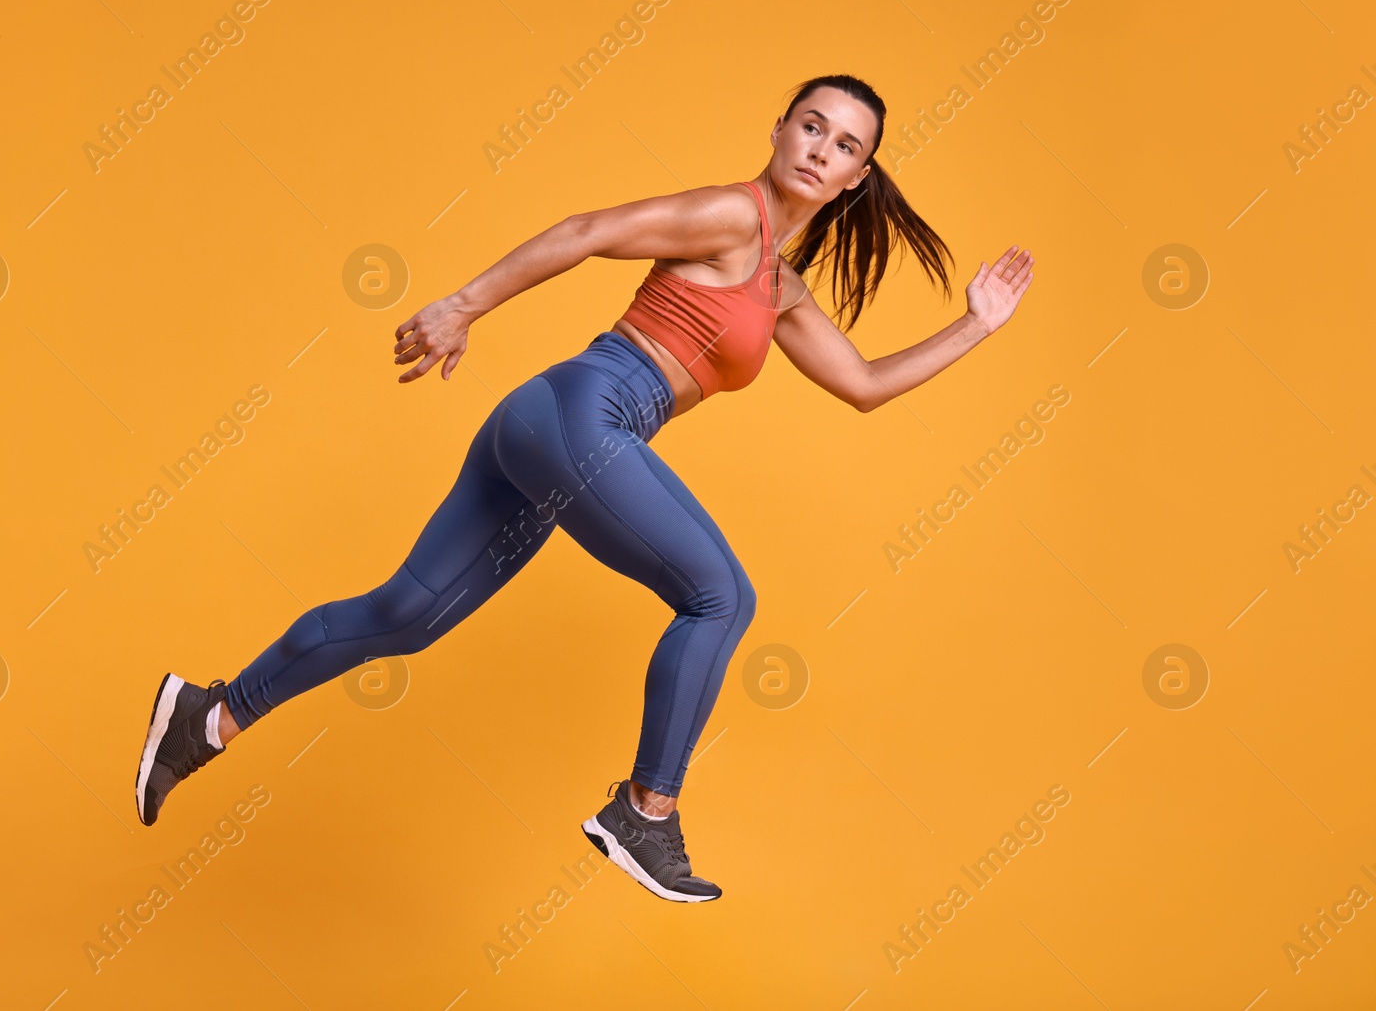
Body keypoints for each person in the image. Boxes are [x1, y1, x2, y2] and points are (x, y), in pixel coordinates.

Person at [132, 73, 1034, 903]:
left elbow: (865, 385)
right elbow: (586, 231)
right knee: (721, 598)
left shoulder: (782, 286)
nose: (819, 149)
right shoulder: (731, 216)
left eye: (843, 145)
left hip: (558, 431)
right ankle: (645, 812)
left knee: (407, 615)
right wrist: (463, 304)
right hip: (583, 409)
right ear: (778, 130)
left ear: (855, 176)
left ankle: (209, 717)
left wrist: (975, 327)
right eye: (810, 126)